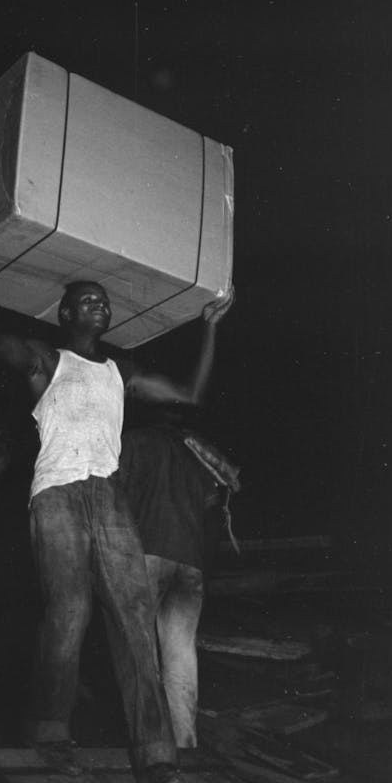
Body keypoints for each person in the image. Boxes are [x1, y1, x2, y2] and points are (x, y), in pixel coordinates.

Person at [0, 224, 230, 783]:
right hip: (57, 492)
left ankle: (156, 752)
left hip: (108, 496)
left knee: (134, 614)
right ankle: (50, 732)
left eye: (103, 301)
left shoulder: (120, 372)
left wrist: (209, 328)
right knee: (70, 609)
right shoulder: (44, 360)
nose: (99, 306)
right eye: (87, 301)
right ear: (65, 315)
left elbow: (191, 395)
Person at [119, 293, 238, 749]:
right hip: (190, 566)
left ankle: (148, 745)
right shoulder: (197, 457)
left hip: (147, 557)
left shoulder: (135, 444)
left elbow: (119, 502)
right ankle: (184, 743)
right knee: (181, 654)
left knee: (139, 653)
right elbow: (211, 516)